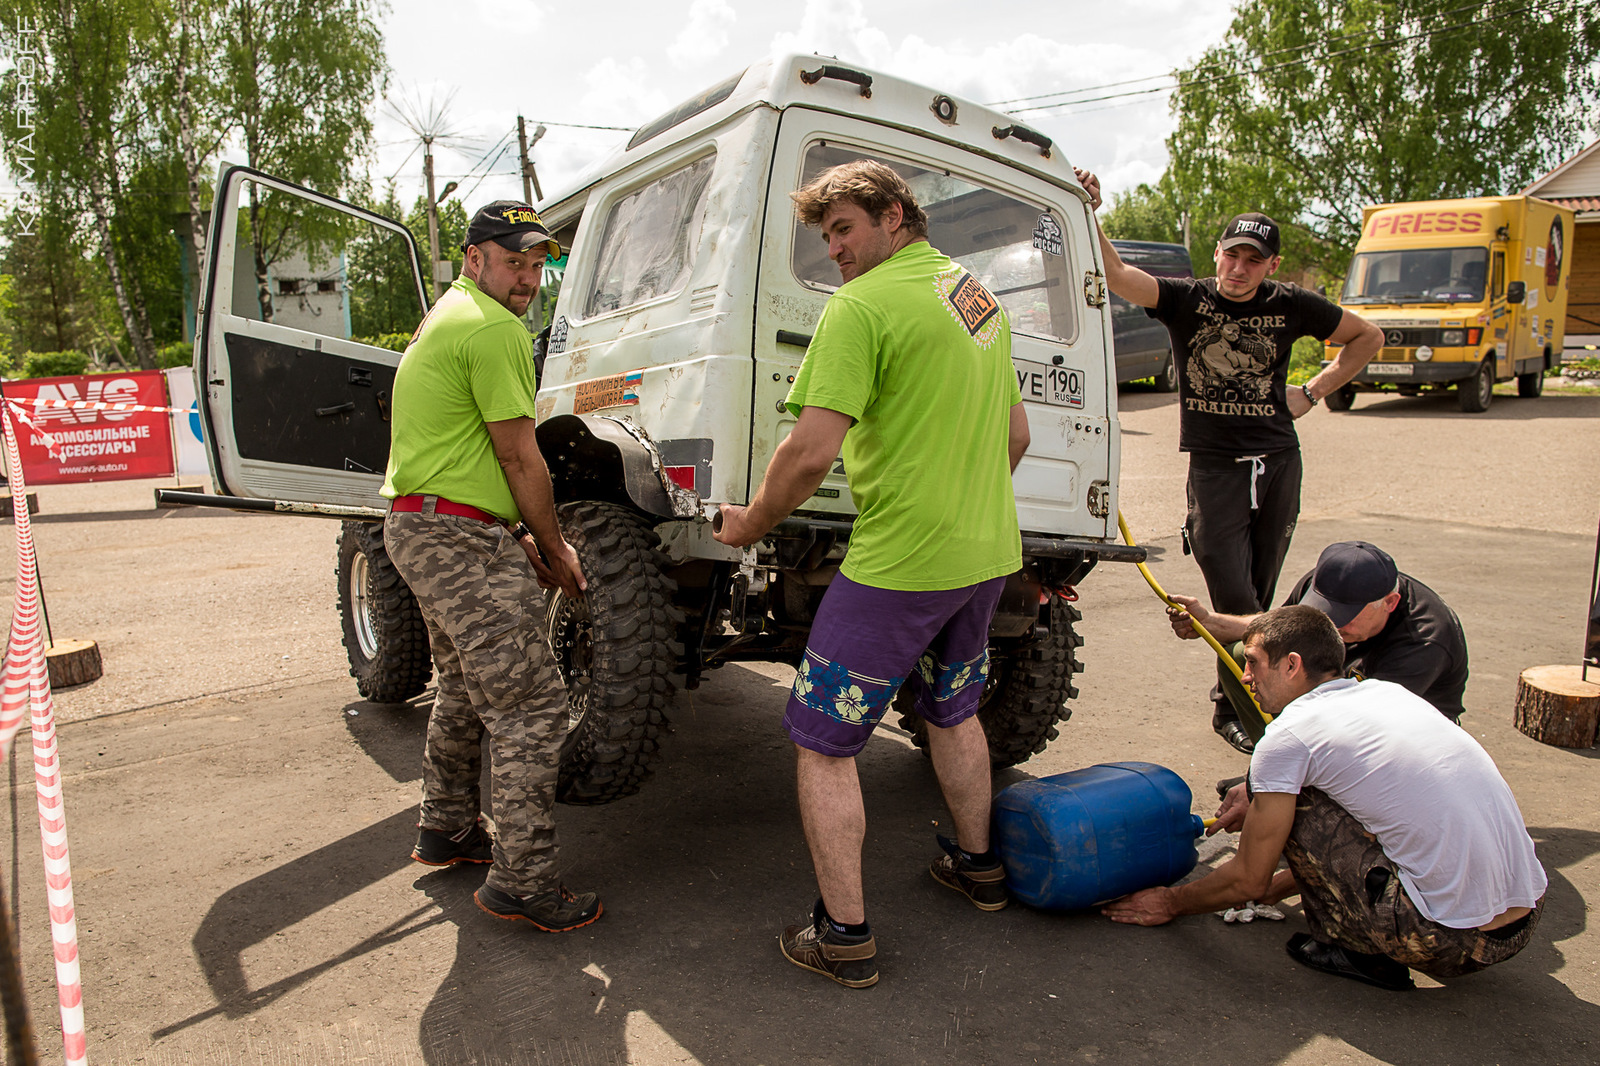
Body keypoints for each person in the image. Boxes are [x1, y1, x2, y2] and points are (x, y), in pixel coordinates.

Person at [713, 160, 1029, 989]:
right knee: (953, 710)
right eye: (826, 239)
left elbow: (809, 452)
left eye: (845, 230)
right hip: (986, 553)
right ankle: (977, 866)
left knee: (823, 739)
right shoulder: (976, 298)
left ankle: (842, 934)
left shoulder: (860, 307)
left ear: (895, 215)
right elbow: (1017, 436)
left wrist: (747, 522)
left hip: (902, 562)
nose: (836, 254)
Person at [1075, 168, 1385, 754]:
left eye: (1253, 259)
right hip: (1216, 468)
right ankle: (1251, 716)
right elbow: (1116, 276)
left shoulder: (1291, 304)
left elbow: (1368, 336)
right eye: (1232, 256)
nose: (1239, 269)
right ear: (1216, 256)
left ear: (1271, 265)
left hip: (1277, 461)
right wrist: (1091, 209)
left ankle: (1242, 703)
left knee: (1263, 596)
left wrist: (1312, 391)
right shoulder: (1186, 300)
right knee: (1236, 601)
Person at [1102, 605, 1546, 991]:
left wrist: (1170, 902)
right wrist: (1275, 887)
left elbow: (1249, 879)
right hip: (1524, 920)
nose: (1245, 676)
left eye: (1254, 663)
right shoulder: (1385, 694)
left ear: (1292, 665)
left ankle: (1358, 951)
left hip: (1446, 943)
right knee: (1308, 795)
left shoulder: (1290, 735)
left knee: (1297, 803)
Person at [381, 200, 599, 933]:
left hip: (423, 527)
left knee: (467, 686)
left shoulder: (446, 316)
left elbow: (482, 459)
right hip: (459, 541)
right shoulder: (494, 328)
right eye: (515, 262)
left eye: (539, 265)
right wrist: (555, 544)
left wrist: (522, 541)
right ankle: (525, 881)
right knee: (532, 706)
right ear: (474, 257)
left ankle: (446, 826)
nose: (529, 278)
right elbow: (518, 455)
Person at [1168, 541, 1469, 744]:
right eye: (1326, 611)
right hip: (1340, 693)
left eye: (1346, 615)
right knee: (1244, 654)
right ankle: (1278, 758)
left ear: (1390, 602)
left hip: (1401, 735)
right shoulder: (1326, 582)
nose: (1334, 625)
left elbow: (1365, 726)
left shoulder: (1425, 640)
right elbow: (1276, 629)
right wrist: (1209, 622)